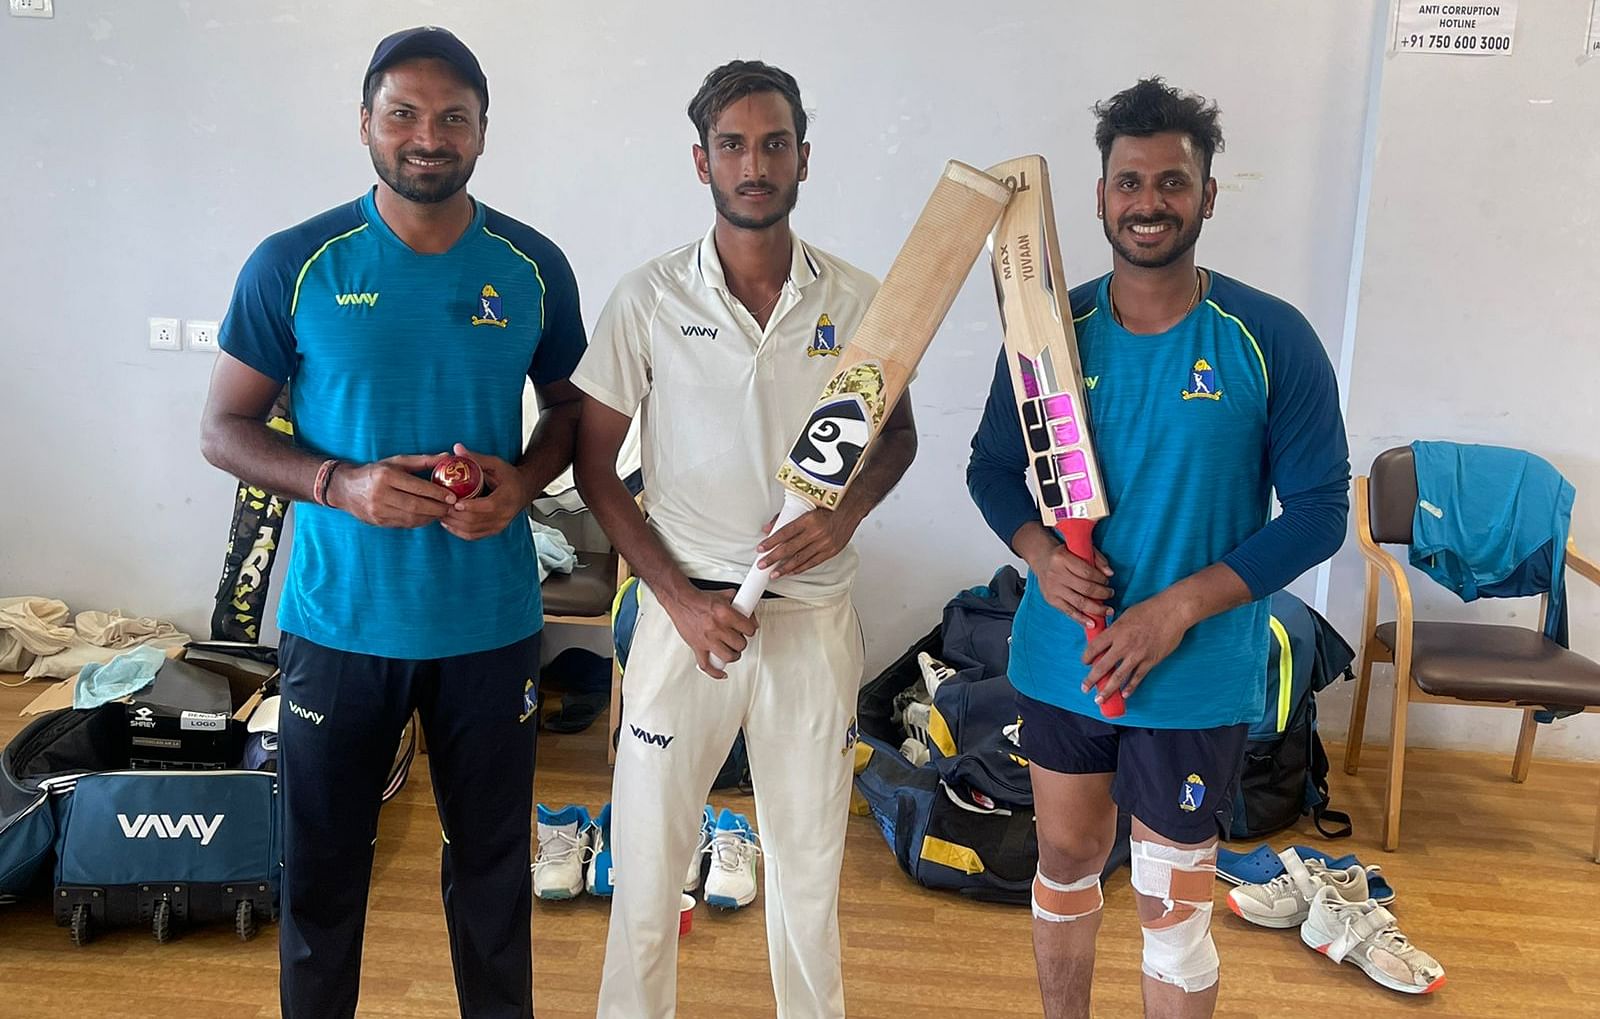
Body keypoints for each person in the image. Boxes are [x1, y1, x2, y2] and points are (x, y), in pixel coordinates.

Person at [198, 26, 586, 1019]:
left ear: (483, 131)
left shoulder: (534, 265)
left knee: (494, 874)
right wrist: (338, 482)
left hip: (490, 626)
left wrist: (523, 480)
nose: (428, 136)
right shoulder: (294, 262)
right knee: (322, 878)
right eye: (404, 113)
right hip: (340, 625)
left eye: (453, 117)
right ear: (365, 123)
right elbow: (223, 429)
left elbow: (571, 413)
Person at [967, 77, 1349, 1019]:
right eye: (1129, 182)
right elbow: (991, 468)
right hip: (1063, 659)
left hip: (1194, 672)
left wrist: (1175, 609)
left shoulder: (1269, 337)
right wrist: (1039, 553)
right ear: (1100, 197)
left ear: (1207, 196)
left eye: (1172, 182)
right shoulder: (1050, 334)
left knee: (1171, 911)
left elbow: (1318, 511)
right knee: (1065, 860)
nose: (1149, 202)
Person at [571, 59, 916, 1019]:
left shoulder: (858, 299)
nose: (754, 165)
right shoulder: (648, 297)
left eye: (774, 144)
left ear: (804, 156)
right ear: (702, 162)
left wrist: (842, 515)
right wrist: (680, 603)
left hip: (811, 620)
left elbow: (896, 436)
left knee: (807, 875)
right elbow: (597, 468)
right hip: (685, 622)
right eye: (733, 146)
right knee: (646, 874)